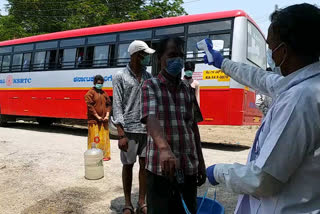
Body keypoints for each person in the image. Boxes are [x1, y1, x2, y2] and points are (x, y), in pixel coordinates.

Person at [204, 3, 320, 214]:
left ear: (284, 50)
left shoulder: (300, 99)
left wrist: (218, 171)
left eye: (270, 47)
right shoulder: (306, 84)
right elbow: (261, 78)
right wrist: (222, 63)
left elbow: (263, 180)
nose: (270, 55)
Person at [141, 37, 206, 214]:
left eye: (180, 56)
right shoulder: (150, 86)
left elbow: (193, 127)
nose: (177, 60)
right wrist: (164, 149)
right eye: (172, 55)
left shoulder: (188, 89)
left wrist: (200, 161)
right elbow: (150, 117)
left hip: (188, 169)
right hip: (160, 170)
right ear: (159, 58)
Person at [112, 40, 155, 214]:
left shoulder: (148, 77)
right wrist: (120, 134)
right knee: (128, 166)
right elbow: (117, 105)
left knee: (144, 167)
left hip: (145, 130)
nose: (147, 58)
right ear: (136, 55)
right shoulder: (120, 76)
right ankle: (128, 203)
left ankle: (142, 202)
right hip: (128, 131)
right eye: (144, 55)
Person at [84, 75, 112, 161]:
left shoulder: (104, 93)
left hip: (104, 121)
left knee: (104, 138)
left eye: (101, 83)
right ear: (95, 83)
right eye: (98, 83)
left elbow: (109, 104)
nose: (100, 85)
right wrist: (97, 116)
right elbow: (90, 106)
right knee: (95, 139)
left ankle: (105, 155)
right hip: (94, 121)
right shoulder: (90, 93)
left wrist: (107, 115)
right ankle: (94, 156)